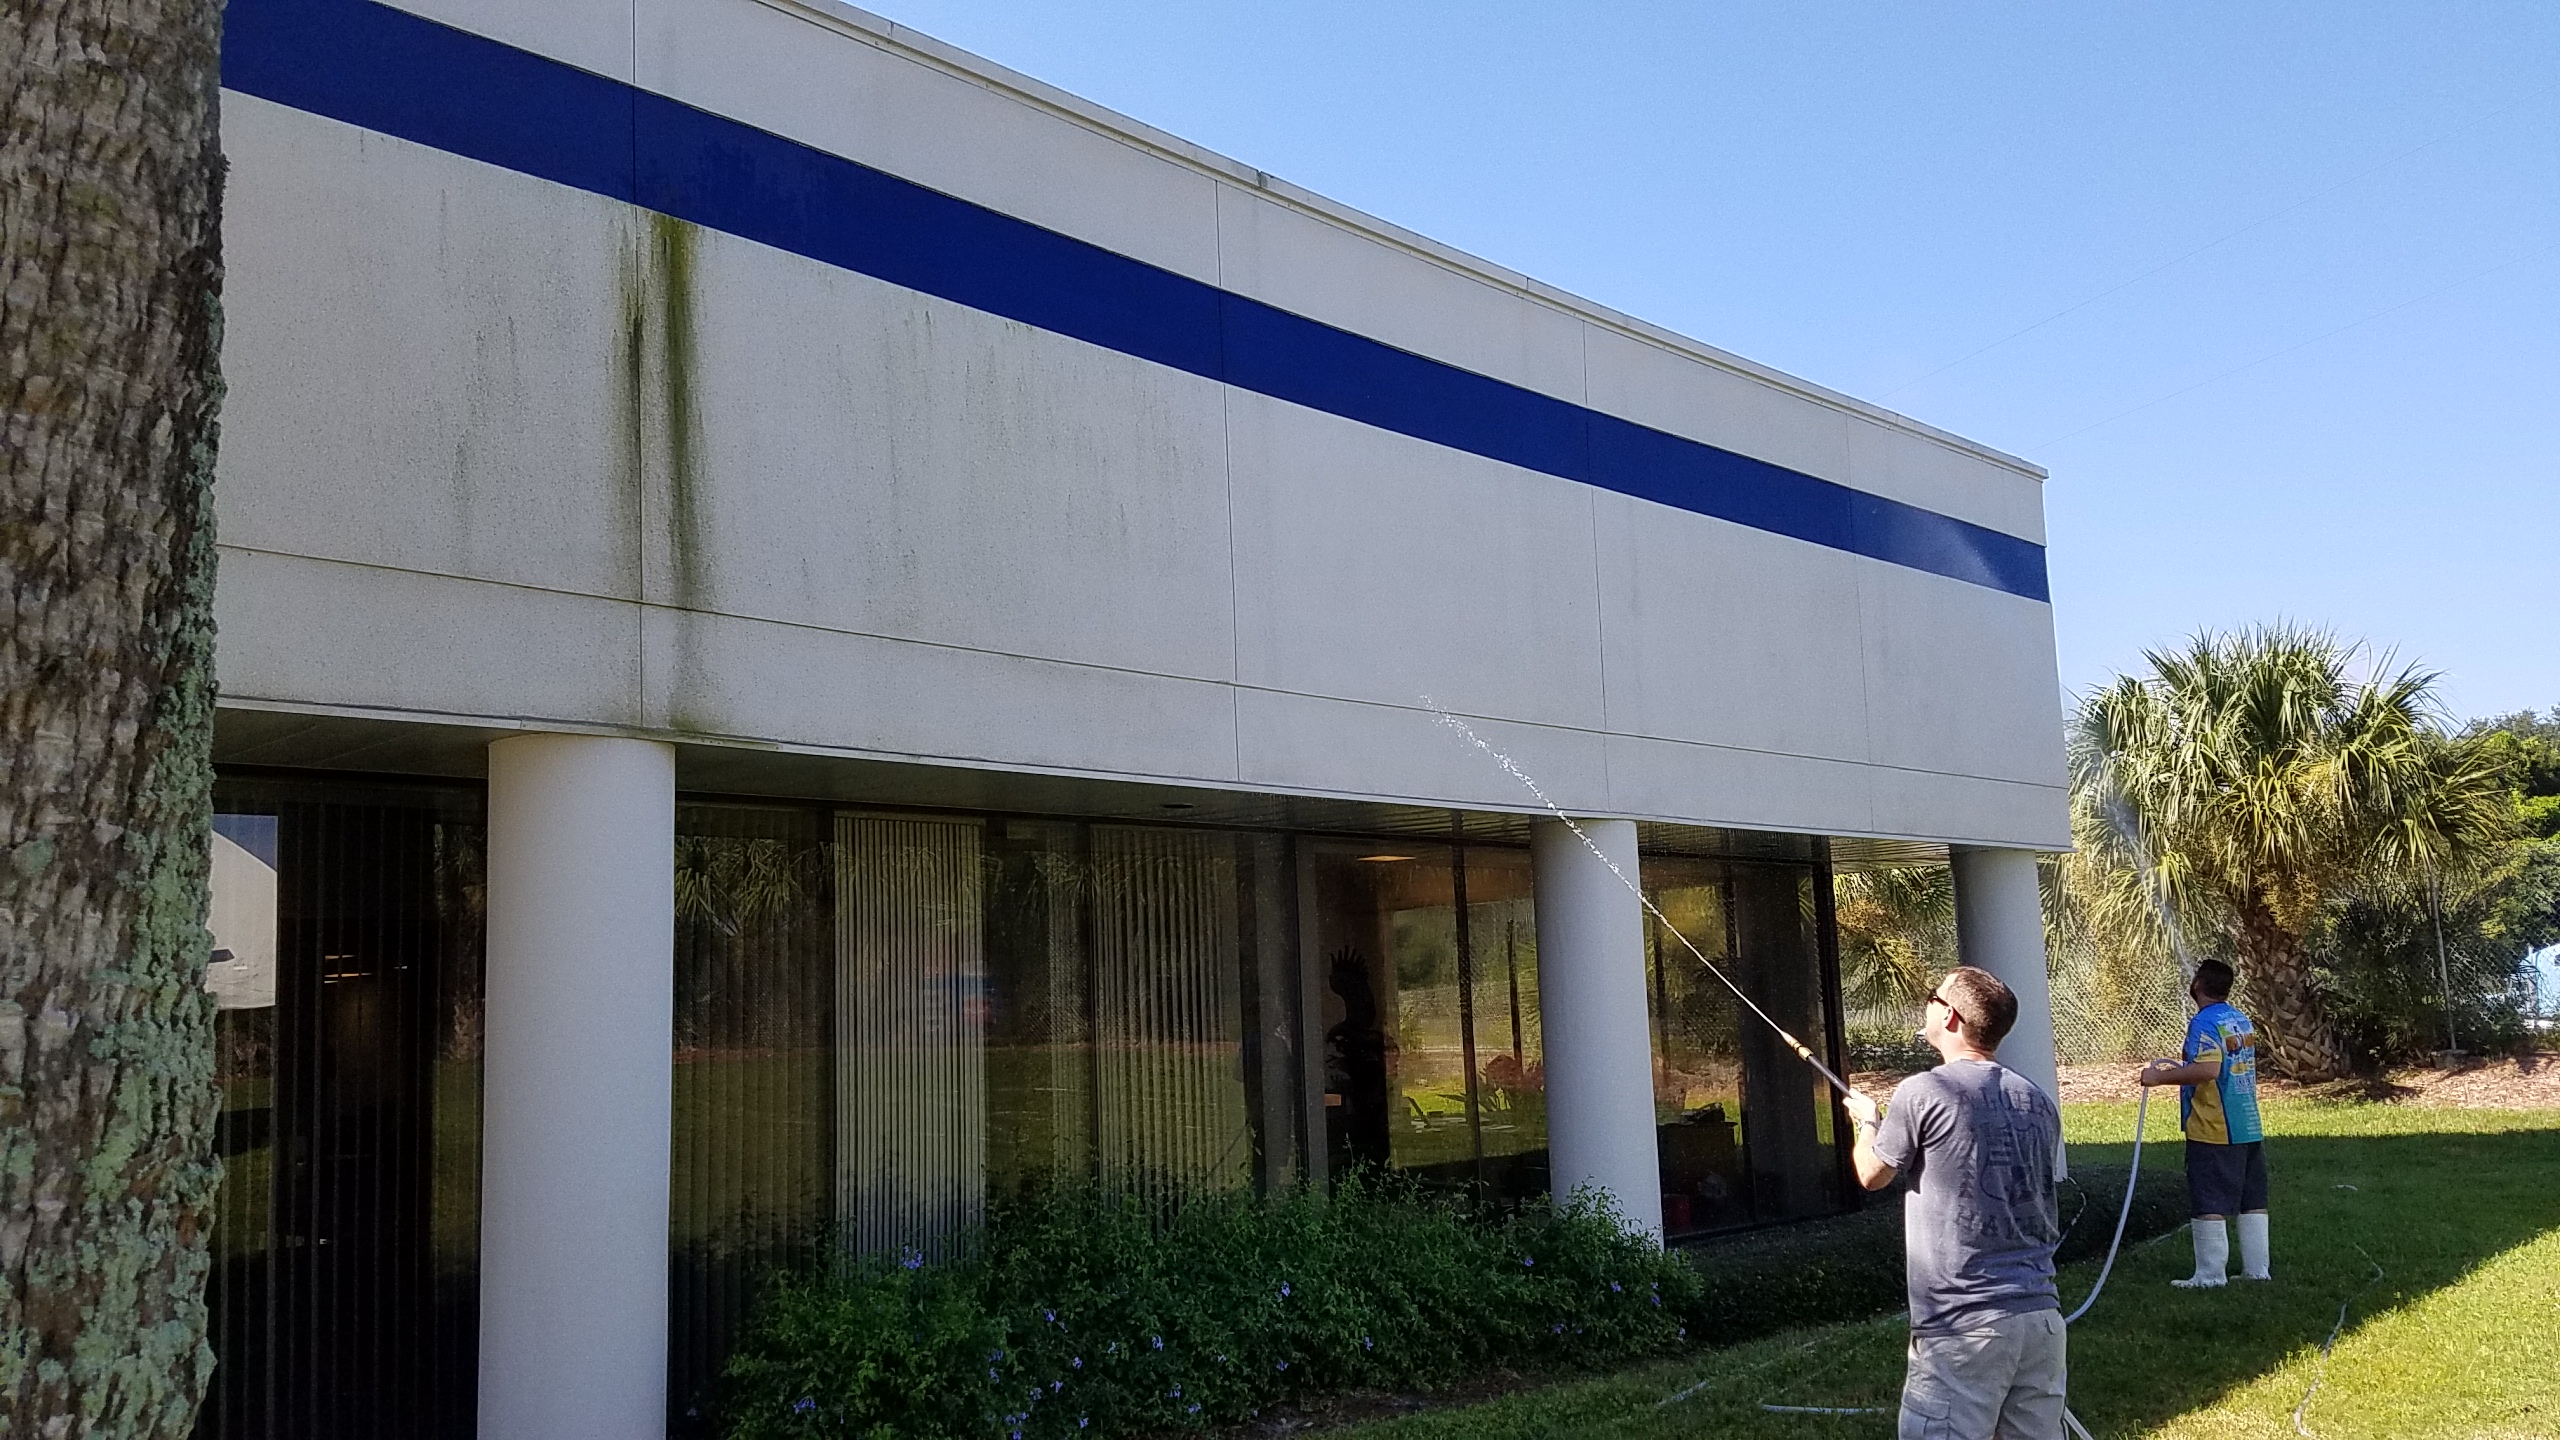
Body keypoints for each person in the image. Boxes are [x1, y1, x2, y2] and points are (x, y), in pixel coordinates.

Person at [1844, 966, 2065, 1440]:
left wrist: (1867, 1123)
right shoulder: (2038, 1101)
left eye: (1933, 996)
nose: (1926, 1004)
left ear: (1949, 1016)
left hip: (1962, 1328)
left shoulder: (1923, 1091)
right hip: (2041, 1322)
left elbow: (1871, 1174)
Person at [2137, 958, 2268, 1287]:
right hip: (2247, 1123)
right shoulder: (2239, 1019)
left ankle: (2210, 1275)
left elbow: (2208, 1069)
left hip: (2214, 1126)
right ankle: (2257, 1270)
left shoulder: (2203, 1023)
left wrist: (2159, 1078)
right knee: (2251, 1199)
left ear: (2198, 985)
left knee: (2208, 1198)